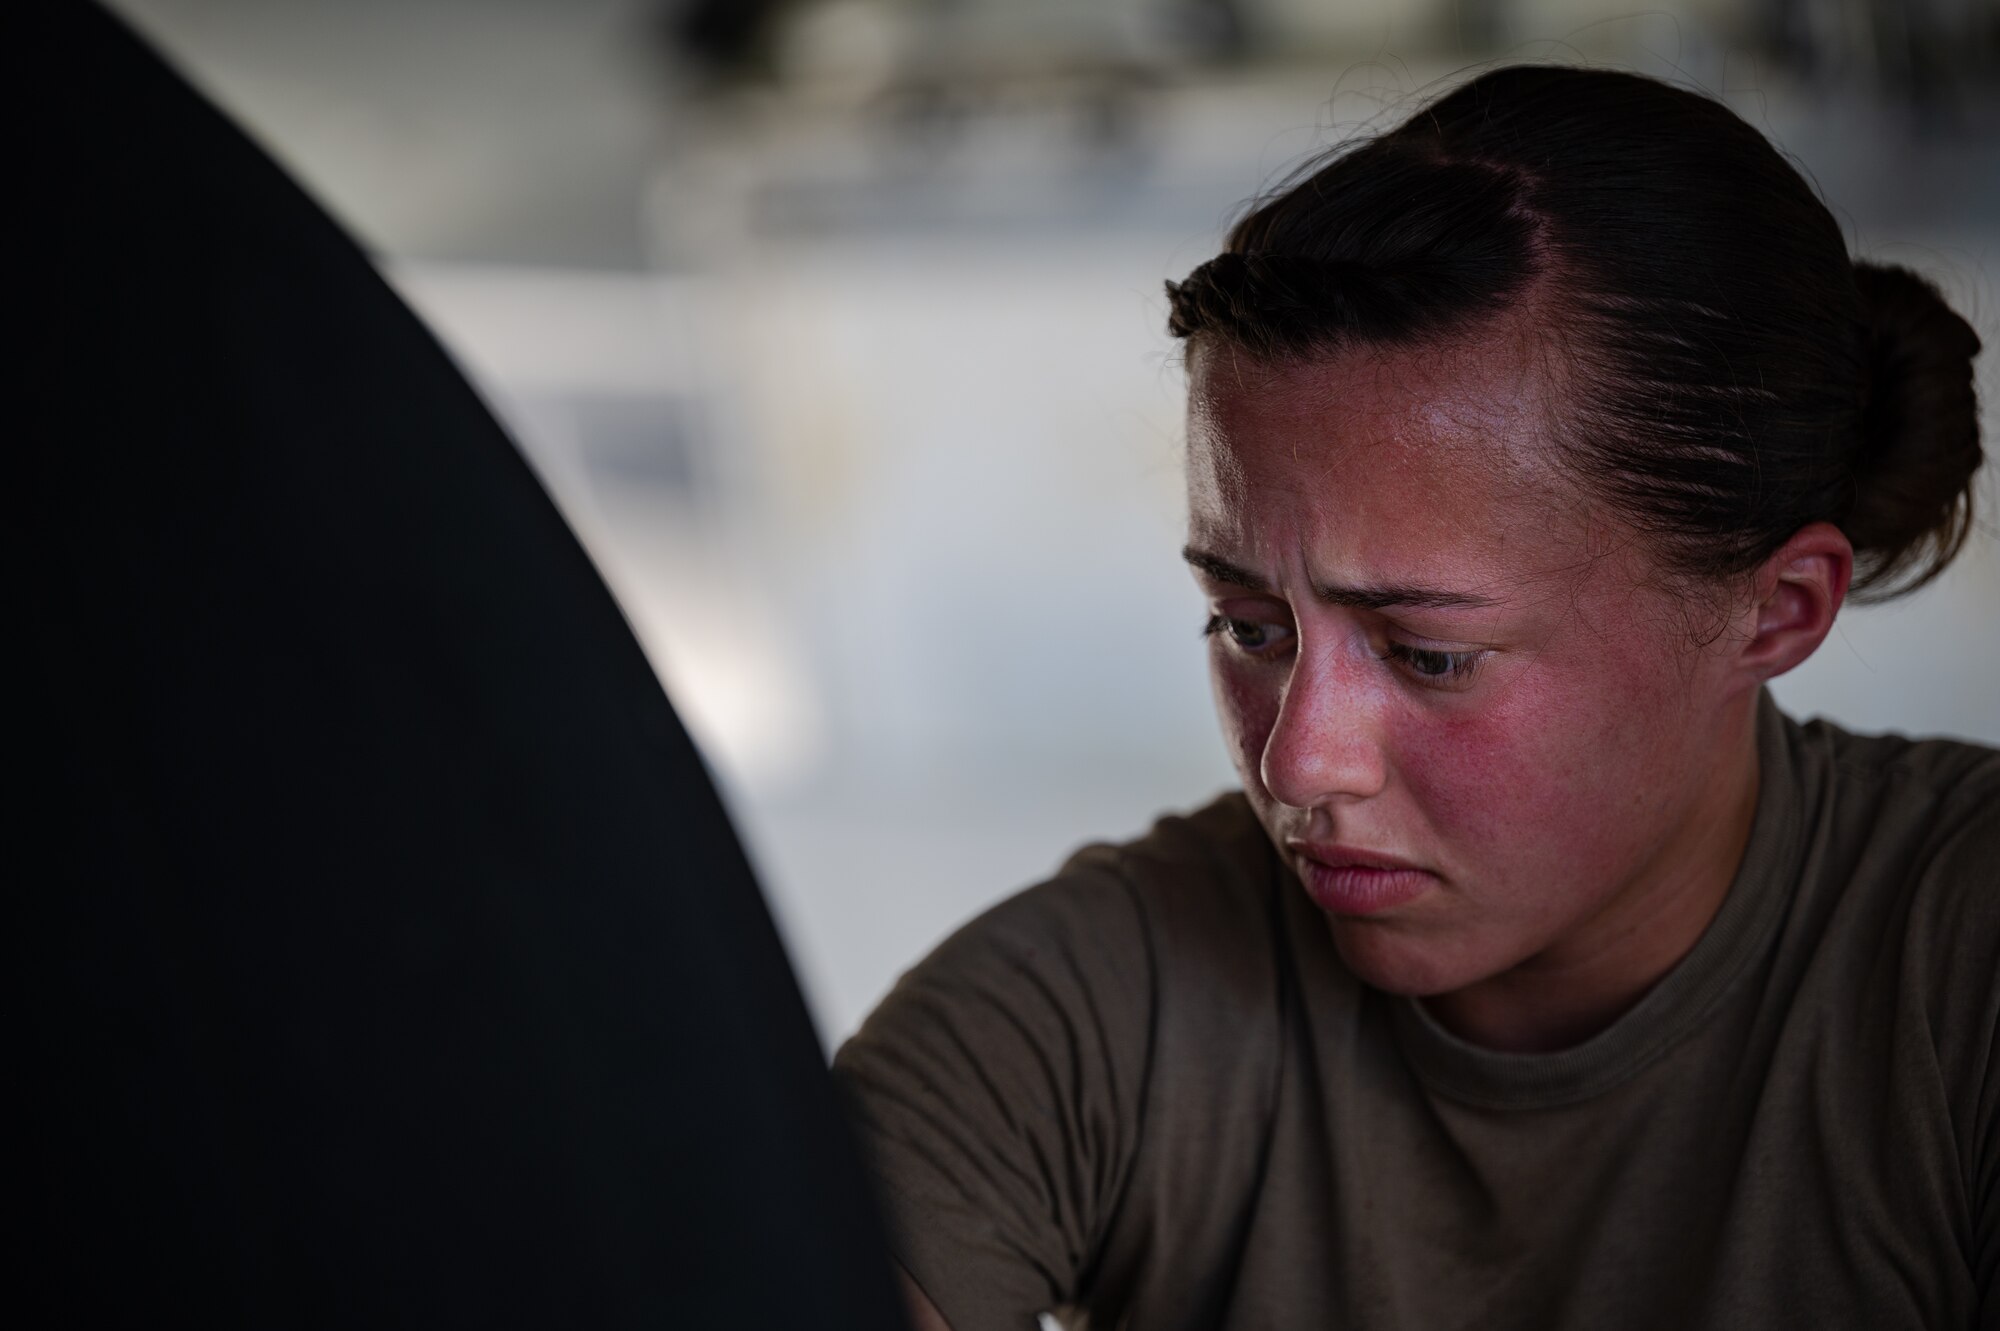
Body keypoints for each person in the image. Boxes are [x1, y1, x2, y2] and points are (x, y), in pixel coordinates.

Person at [832, 64, 1997, 1330]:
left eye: (1427, 653)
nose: (1297, 763)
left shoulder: (1958, 964)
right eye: (1247, 624)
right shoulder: (1075, 1013)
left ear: (1775, 613)